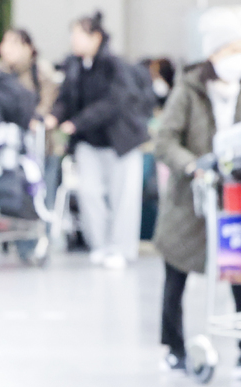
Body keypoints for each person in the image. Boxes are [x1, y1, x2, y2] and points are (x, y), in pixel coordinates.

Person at [153, 9, 241, 380]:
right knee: (176, 274)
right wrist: (192, 165)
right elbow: (164, 140)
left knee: (239, 273)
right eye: (232, 49)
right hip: (189, 199)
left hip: (233, 196)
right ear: (214, 53)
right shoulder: (188, 90)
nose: (239, 57)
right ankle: (173, 348)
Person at [46, 11, 150, 269]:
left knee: (123, 197)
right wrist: (54, 117)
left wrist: (77, 122)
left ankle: (121, 249)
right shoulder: (73, 65)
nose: (74, 40)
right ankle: (101, 245)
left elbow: (114, 102)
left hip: (120, 142)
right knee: (89, 193)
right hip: (88, 142)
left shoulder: (115, 65)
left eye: (79, 34)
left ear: (96, 37)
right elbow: (65, 99)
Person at [0, 28, 60, 120]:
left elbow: (48, 102)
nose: (7, 48)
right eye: (4, 42)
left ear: (28, 48)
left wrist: (36, 118)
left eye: (14, 43)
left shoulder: (40, 70)